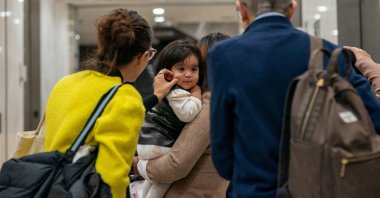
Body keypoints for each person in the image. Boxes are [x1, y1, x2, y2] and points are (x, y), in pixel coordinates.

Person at [207, 1, 380, 197]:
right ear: (292, 8)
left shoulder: (224, 55)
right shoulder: (327, 52)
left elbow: (223, 159)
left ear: (241, 8)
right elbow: (374, 119)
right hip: (318, 188)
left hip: (254, 189)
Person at [44, 9, 155, 198]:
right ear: (143, 57)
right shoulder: (126, 98)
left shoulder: (66, 83)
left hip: (51, 186)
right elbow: (113, 178)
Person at [132, 32, 230, 198]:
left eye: (195, 66)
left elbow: (175, 164)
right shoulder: (229, 101)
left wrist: (138, 164)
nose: (189, 73)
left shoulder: (210, 103)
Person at [137, 39, 204, 198]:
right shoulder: (175, 92)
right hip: (160, 143)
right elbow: (187, 114)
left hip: (148, 141)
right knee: (163, 182)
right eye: (181, 69)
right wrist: (196, 94)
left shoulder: (168, 91)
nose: (188, 74)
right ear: (168, 70)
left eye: (194, 69)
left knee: (151, 183)